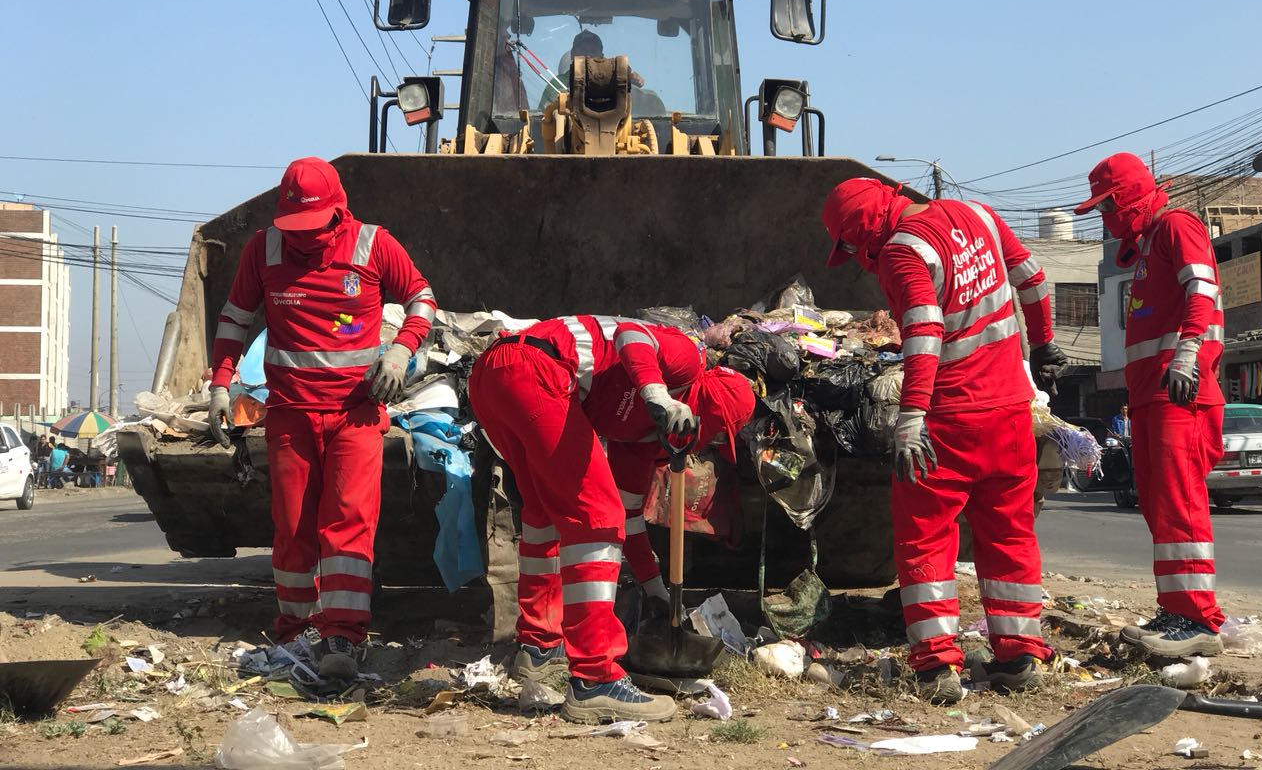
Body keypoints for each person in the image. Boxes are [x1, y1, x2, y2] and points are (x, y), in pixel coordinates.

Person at [822, 178, 1068, 704]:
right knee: (1009, 532)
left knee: (926, 536)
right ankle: (1020, 656)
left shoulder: (902, 251)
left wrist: (910, 416)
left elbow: (925, 330)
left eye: (852, 249)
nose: (861, 261)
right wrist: (1044, 344)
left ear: (864, 233)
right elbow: (1035, 280)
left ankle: (937, 668)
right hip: (1009, 413)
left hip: (948, 420)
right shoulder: (977, 213)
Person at [208, 157, 438, 680]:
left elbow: (422, 297)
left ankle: (343, 634)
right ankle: (295, 630)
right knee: (292, 529)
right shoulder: (262, 249)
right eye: (295, 228)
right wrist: (222, 382)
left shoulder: (374, 244)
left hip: (355, 415)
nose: (303, 238)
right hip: (290, 414)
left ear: (339, 212)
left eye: (313, 227)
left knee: (348, 527)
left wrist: (401, 349)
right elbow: (234, 318)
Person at [468, 315, 755, 724]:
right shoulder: (687, 361)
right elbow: (631, 333)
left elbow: (629, 515)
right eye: (712, 429)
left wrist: (654, 588)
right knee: (594, 518)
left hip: (499, 379)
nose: (704, 441)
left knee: (547, 514)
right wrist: (658, 395)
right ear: (705, 404)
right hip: (532, 367)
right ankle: (594, 680)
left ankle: (539, 648)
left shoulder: (641, 441)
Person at [1074, 152, 1225, 655]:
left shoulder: (1177, 227)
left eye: (1107, 207)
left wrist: (1185, 356)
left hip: (1177, 391)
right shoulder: (1148, 244)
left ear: (1129, 197)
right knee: (1162, 506)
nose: (1106, 218)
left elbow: (1201, 288)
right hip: (1152, 396)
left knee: (1178, 504)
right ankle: (1179, 607)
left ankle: (1196, 620)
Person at [536, 30, 665, 116]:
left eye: (593, 51)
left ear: (602, 56)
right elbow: (544, 117)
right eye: (582, 50)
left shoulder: (617, 80)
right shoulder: (557, 84)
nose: (587, 56)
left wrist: (630, 86)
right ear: (573, 54)